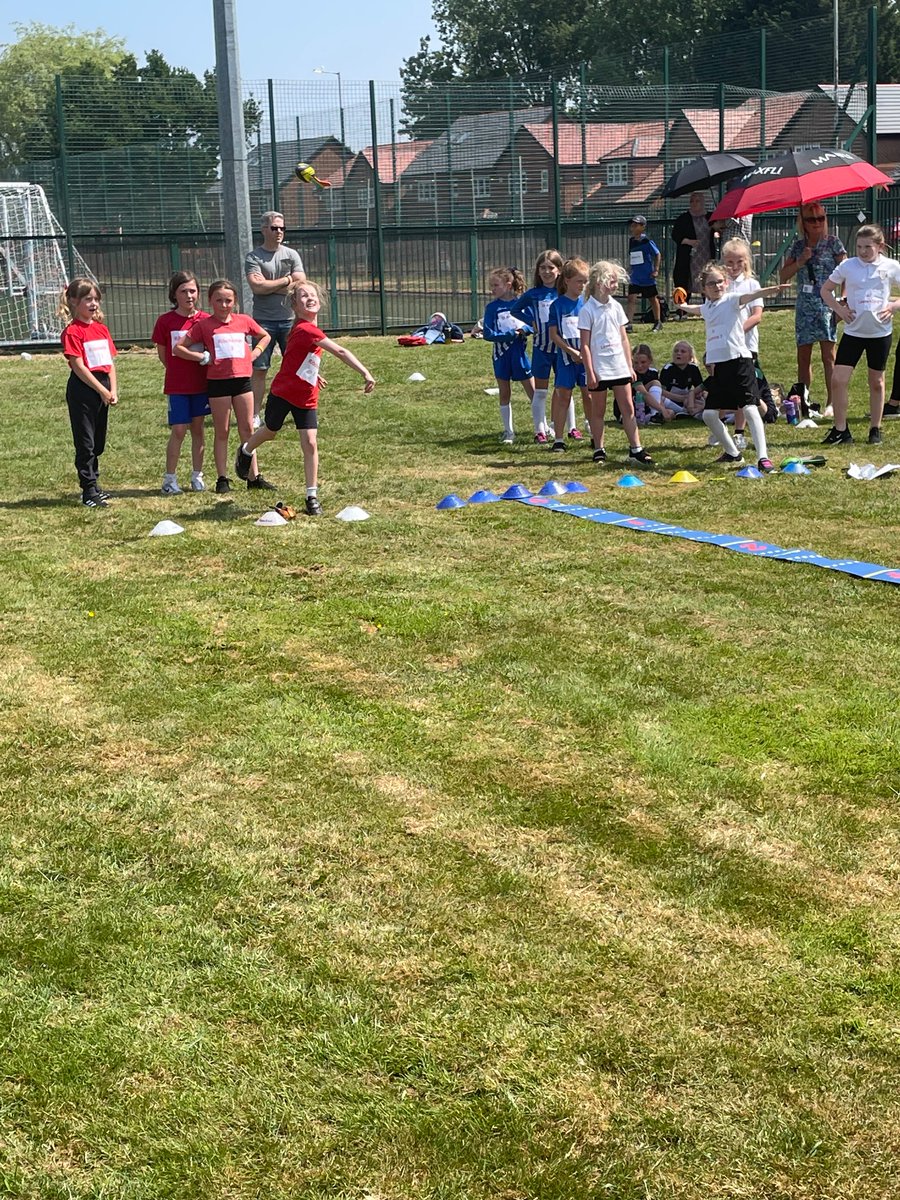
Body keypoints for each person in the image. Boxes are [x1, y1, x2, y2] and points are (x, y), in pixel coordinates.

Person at [234, 282, 375, 515]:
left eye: (312, 295)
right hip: (283, 392)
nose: (310, 298)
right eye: (303, 296)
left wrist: (312, 373)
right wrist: (365, 373)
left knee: (310, 442)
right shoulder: (306, 329)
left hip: (306, 395)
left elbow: (296, 355)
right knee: (270, 431)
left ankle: (312, 496)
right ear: (295, 305)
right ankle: (246, 450)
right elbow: (340, 351)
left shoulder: (306, 327)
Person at [676, 262, 784, 471]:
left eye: (720, 282)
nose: (717, 286)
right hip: (720, 367)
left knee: (750, 409)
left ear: (726, 283)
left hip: (740, 362)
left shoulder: (732, 300)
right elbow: (696, 309)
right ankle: (733, 454)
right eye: (711, 284)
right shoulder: (708, 308)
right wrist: (681, 305)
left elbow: (750, 296)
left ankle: (763, 457)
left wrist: (772, 290)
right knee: (709, 415)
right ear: (704, 289)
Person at [174, 279, 273, 494]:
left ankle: (253, 476)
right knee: (223, 431)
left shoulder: (243, 321)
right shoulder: (204, 325)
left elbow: (265, 336)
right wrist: (201, 357)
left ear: (235, 301)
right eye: (219, 300)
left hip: (242, 381)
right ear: (210, 301)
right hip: (218, 383)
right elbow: (179, 348)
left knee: (247, 428)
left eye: (228, 300)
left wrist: (255, 353)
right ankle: (222, 478)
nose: (224, 304)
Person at [820, 223, 900, 446]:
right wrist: (840, 309)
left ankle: (875, 428)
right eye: (859, 246)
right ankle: (841, 430)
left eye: (868, 247)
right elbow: (825, 290)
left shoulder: (891, 266)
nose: (863, 251)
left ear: (880, 246)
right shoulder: (848, 266)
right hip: (854, 332)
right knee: (838, 379)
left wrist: (894, 306)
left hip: (879, 333)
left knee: (876, 381)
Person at [578, 260, 653, 466]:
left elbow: (623, 339)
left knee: (628, 407)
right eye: (611, 281)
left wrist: (629, 365)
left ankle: (635, 448)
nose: (615, 285)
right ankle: (599, 448)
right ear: (599, 282)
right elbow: (585, 345)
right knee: (598, 410)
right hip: (600, 368)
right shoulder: (587, 310)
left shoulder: (616, 307)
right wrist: (590, 372)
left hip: (618, 365)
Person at [780, 203, 846, 416]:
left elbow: (846, 272)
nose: (817, 222)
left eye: (820, 218)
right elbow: (783, 275)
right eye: (811, 219)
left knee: (829, 355)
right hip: (805, 305)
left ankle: (832, 401)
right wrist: (800, 261)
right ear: (803, 223)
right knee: (804, 355)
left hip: (827, 304)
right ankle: (804, 401)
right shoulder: (799, 246)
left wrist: (843, 301)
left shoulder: (833, 243)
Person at [59, 277, 118, 508]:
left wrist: (112, 389)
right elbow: (78, 365)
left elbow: (110, 363)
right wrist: (101, 389)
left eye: (96, 299)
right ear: (74, 301)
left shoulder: (101, 329)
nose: (93, 304)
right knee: (86, 442)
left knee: (98, 441)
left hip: (102, 387)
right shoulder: (73, 331)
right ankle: (88, 490)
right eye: (87, 299)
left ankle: (96, 484)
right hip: (84, 389)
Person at [151, 271, 210, 495]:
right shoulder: (165, 321)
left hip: (201, 385)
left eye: (192, 291)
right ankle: (170, 478)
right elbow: (164, 355)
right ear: (174, 294)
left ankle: (197, 476)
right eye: (183, 291)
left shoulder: (204, 320)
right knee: (178, 429)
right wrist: (178, 370)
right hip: (177, 386)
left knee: (198, 429)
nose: (189, 295)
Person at [245, 211, 306, 423]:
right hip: (263, 323)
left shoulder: (291, 254)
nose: (279, 231)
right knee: (260, 369)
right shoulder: (253, 257)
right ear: (264, 230)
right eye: (274, 228)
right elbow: (257, 287)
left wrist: (271, 286)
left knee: (297, 367)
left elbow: (301, 283)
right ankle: (254, 415)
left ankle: (300, 409)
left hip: (290, 320)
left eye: (282, 228)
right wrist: (287, 280)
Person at [510, 250, 566, 442]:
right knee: (541, 391)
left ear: (559, 270)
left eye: (550, 267)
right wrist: (530, 321)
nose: (546, 272)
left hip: (562, 348)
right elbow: (515, 309)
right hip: (541, 348)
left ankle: (566, 427)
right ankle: (539, 430)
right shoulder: (533, 294)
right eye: (542, 268)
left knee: (563, 388)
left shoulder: (563, 293)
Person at [722, 237, 770, 449]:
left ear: (746, 262)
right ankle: (720, 428)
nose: (733, 267)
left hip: (745, 345)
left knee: (743, 389)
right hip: (723, 346)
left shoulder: (752, 284)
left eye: (738, 262)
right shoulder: (720, 284)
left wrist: (737, 332)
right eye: (729, 262)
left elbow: (757, 315)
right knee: (724, 386)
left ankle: (739, 432)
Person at [482, 266, 535, 445]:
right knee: (504, 392)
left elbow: (533, 325)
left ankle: (541, 427)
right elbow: (488, 334)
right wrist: (509, 335)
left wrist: (524, 330)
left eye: (496, 285)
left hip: (519, 354)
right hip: (501, 355)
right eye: (491, 285)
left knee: (534, 392)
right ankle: (509, 431)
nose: (492, 289)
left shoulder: (520, 304)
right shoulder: (492, 308)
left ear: (508, 284)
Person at [547, 256, 590, 452]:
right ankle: (559, 438)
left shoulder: (587, 304)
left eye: (585, 281)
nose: (582, 285)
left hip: (586, 357)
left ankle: (594, 432)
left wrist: (585, 352)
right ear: (567, 281)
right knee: (563, 394)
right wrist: (571, 351)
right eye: (579, 281)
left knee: (589, 393)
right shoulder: (557, 305)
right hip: (565, 357)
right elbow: (554, 334)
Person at [671, 192, 714, 303]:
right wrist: (688, 241)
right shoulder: (683, 218)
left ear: (703, 202)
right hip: (689, 256)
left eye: (697, 201)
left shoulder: (710, 217)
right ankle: (682, 310)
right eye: (692, 201)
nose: (694, 203)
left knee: (706, 278)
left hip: (706, 255)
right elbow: (675, 235)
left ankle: (709, 305)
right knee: (685, 280)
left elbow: (718, 229)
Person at [625, 215, 662, 332]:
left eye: (636, 225)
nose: (633, 227)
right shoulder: (631, 241)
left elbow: (657, 254)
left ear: (643, 227)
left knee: (652, 298)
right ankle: (629, 324)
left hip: (647, 275)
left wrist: (656, 270)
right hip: (635, 276)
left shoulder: (647, 241)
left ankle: (658, 322)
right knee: (631, 298)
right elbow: (633, 256)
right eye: (632, 225)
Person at [659, 341, 705, 418]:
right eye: (676, 351)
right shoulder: (668, 369)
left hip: (687, 399)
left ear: (690, 357)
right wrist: (681, 398)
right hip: (671, 399)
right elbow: (662, 391)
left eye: (683, 351)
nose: (678, 353)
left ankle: (691, 411)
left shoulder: (693, 368)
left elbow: (700, 389)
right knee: (660, 399)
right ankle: (683, 411)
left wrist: (695, 396)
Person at [631, 344, 667, 422]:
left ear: (650, 360)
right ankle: (655, 415)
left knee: (670, 411)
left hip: (648, 404)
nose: (639, 366)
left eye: (643, 362)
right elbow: (643, 393)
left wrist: (664, 409)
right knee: (655, 383)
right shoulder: (632, 374)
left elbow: (658, 395)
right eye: (636, 363)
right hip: (634, 405)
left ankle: (655, 415)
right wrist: (662, 410)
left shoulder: (653, 372)